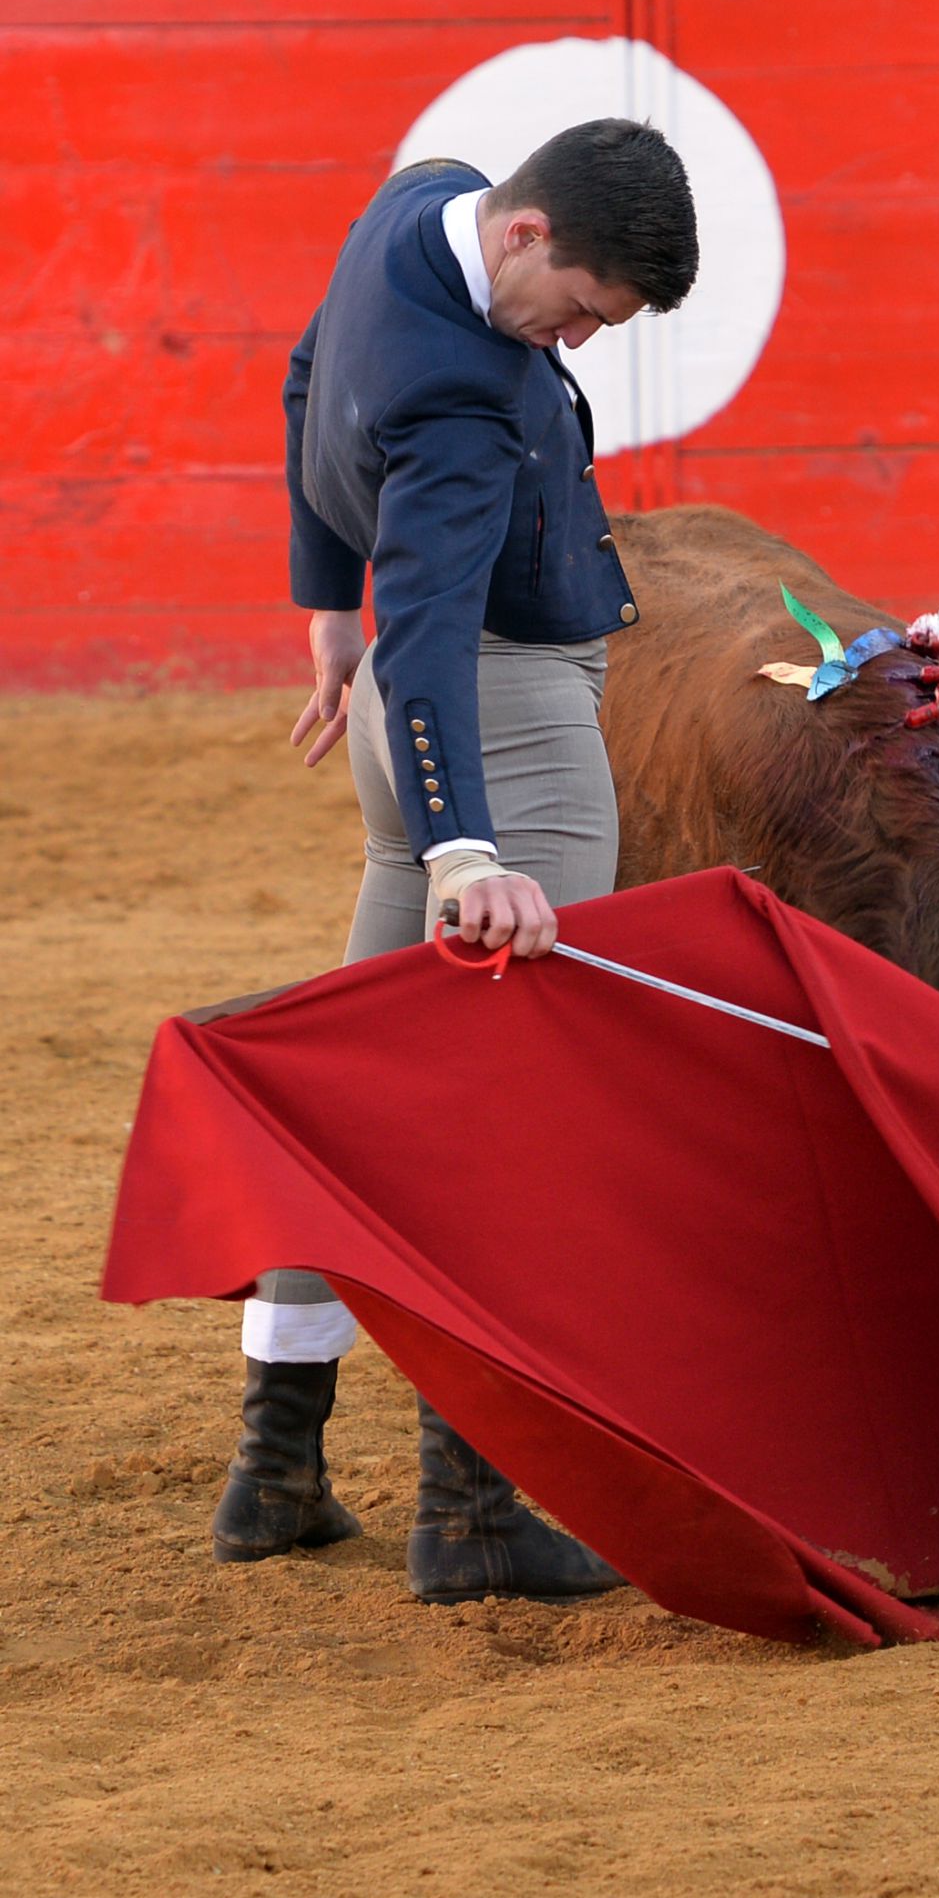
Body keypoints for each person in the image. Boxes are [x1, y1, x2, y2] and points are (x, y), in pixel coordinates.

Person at [209, 119, 699, 1604]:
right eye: (585, 311)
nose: (580, 344)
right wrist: (470, 845)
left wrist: (321, 603)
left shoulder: (414, 204)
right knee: (508, 1116)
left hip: (397, 725)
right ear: (527, 236)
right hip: (502, 744)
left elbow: (305, 376)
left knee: (360, 1099)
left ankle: (274, 1468)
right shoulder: (466, 401)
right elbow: (434, 626)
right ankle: (471, 1510)